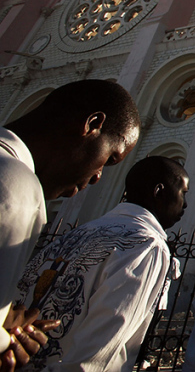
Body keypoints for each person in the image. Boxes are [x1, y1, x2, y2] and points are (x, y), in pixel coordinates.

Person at [0, 79, 140, 369]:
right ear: (92, 124)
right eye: (109, 159)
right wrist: (5, 346)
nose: (98, 176)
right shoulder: (17, 188)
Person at [16, 156, 188, 371]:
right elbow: (99, 356)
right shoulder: (145, 245)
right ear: (159, 192)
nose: (186, 204)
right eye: (183, 193)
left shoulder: (75, 235)